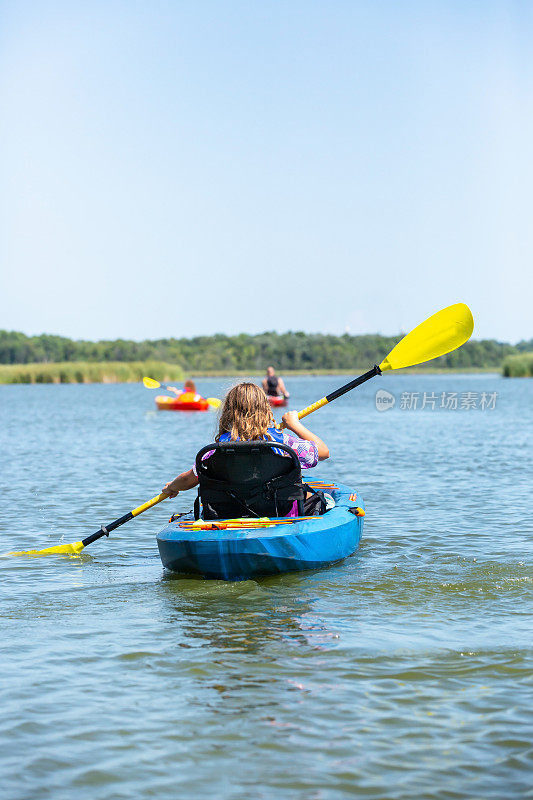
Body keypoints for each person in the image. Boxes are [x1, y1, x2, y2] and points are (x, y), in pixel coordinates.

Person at [162, 382, 329, 513]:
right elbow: (323, 452)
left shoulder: (217, 449)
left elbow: (188, 479)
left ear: (228, 412)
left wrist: (172, 487)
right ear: (265, 409)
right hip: (279, 512)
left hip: (229, 514)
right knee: (321, 499)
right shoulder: (282, 442)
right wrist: (294, 425)